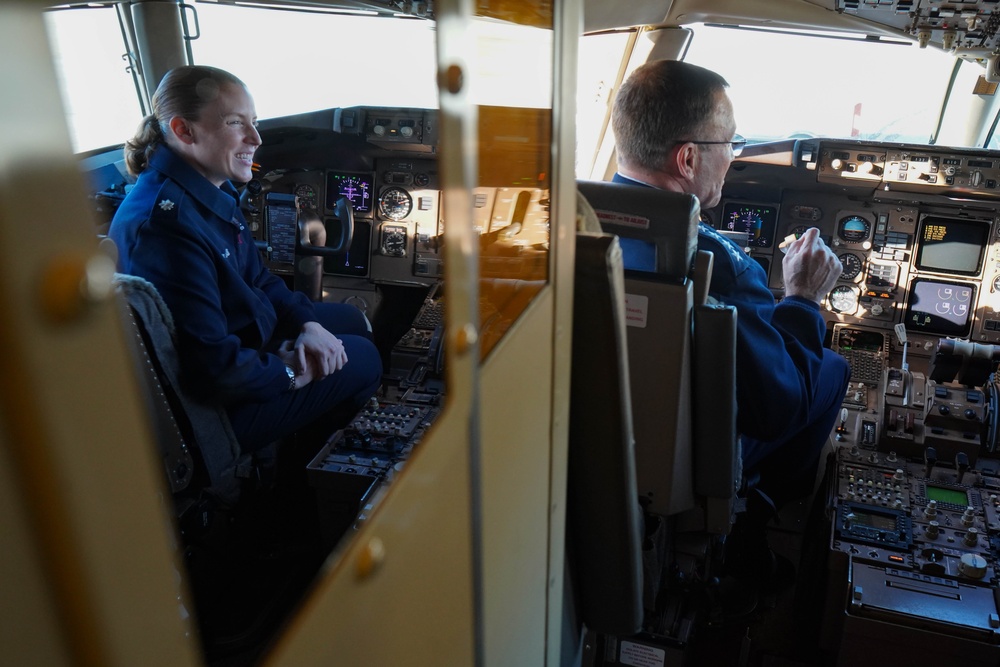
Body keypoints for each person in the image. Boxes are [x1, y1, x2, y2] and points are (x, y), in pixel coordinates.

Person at [610, 60, 851, 521]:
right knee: (833, 369)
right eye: (731, 142)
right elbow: (780, 406)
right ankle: (764, 506)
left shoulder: (573, 228)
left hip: (598, 427)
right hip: (686, 453)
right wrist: (801, 298)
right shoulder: (718, 266)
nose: (735, 155)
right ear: (688, 159)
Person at [109, 65, 382, 455]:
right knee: (364, 358)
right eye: (236, 123)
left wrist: (307, 324)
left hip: (240, 345)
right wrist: (290, 373)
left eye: (253, 122)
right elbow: (214, 368)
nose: (255, 138)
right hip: (211, 410)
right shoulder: (166, 227)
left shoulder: (208, 189)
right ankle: (297, 486)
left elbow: (259, 279)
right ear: (184, 130)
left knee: (349, 322)